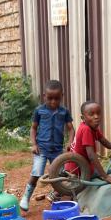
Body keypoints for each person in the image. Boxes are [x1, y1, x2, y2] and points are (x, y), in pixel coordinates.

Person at [19, 80, 74, 212]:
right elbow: (33, 129)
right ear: (44, 96)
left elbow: (71, 129)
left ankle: (58, 196)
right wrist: (34, 144)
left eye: (57, 98)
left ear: (62, 96)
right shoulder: (39, 111)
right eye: (50, 98)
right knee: (36, 173)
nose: (53, 102)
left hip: (57, 150)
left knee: (59, 174)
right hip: (41, 149)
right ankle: (26, 197)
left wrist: (70, 143)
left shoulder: (64, 112)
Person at [66, 101, 111, 185]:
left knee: (106, 171)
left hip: (74, 166)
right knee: (108, 174)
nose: (96, 117)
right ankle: (62, 190)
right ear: (83, 118)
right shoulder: (86, 130)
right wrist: (105, 177)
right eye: (91, 114)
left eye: (98, 113)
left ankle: (60, 190)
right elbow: (91, 156)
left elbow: (107, 144)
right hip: (79, 169)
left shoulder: (92, 128)